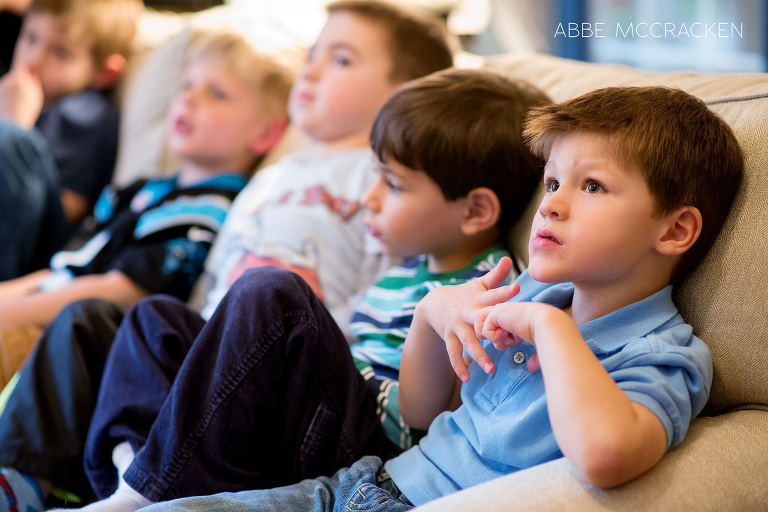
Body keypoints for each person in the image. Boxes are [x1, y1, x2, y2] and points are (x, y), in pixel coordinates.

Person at [135, 84, 744, 512]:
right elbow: (423, 412)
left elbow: (608, 455)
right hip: (361, 481)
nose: (552, 203)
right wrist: (432, 313)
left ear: (674, 231)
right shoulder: (530, 289)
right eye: (552, 181)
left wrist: (550, 330)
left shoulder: (664, 355)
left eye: (592, 186)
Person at [0, 0, 454, 508]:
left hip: (296, 383)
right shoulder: (272, 176)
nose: (314, 69)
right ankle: (49, 482)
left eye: (342, 59)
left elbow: (383, 292)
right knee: (130, 319)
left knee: (269, 292)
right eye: (313, 54)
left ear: (404, 93)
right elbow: (208, 284)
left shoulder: (384, 180)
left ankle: (137, 494)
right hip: (219, 372)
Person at [0, 28, 294, 384]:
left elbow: (121, 290)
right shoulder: (142, 189)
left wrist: (9, 310)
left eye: (217, 94)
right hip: (35, 308)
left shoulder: (209, 209)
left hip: (59, 338)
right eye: (187, 86)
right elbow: (66, 267)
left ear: (266, 135)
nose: (189, 99)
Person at [0, 0, 143, 280]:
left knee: (12, 140)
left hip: (36, 247)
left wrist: (14, 124)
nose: (34, 59)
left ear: (105, 73)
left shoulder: (86, 114)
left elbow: (69, 208)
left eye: (61, 53)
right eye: (30, 38)